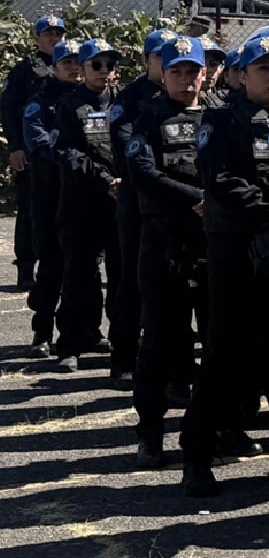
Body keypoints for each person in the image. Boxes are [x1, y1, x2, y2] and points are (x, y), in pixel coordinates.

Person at [181, 31, 269, 497]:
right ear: (239, 74)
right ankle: (196, 454)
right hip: (235, 249)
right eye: (264, 68)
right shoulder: (222, 119)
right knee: (225, 352)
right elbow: (223, 180)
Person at [127, 36, 209, 468]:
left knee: (216, 338)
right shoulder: (148, 118)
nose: (184, 79)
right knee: (158, 338)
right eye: (176, 70)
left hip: (212, 240)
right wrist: (195, 197)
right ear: (163, 73)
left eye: (192, 71)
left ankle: (214, 429)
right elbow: (143, 172)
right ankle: (150, 432)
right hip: (163, 239)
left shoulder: (218, 116)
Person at [50, 39, 123, 369]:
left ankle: (120, 343)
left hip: (118, 203)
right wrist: (103, 178)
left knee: (121, 276)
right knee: (78, 274)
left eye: (109, 65)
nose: (104, 71)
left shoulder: (123, 104)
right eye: (97, 65)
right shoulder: (70, 106)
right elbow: (68, 153)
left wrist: (122, 180)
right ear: (82, 68)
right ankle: (70, 345)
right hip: (82, 202)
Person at [107, 30, 176, 386]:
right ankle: (123, 356)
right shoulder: (131, 98)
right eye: (160, 57)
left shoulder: (191, 99)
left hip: (179, 208)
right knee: (133, 280)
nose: (168, 64)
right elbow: (123, 140)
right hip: (138, 200)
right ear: (148, 61)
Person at [20, 41, 80, 355]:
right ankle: (41, 331)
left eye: (76, 61)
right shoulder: (40, 101)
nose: (72, 66)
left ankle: (78, 333)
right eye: (65, 61)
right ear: (53, 67)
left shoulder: (89, 99)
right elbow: (37, 138)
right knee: (51, 265)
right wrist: (70, 154)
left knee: (80, 268)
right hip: (50, 194)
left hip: (81, 195)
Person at [4, 14, 64, 293]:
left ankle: (59, 265)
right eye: (48, 33)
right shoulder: (24, 71)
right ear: (37, 37)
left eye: (58, 33)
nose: (54, 37)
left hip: (63, 153)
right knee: (29, 209)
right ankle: (26, 268)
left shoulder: (71, 66)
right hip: (32, 152)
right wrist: (15, 147)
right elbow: (8, 110)